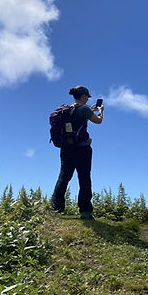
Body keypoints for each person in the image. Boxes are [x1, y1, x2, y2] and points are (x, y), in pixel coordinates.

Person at [50, 86, 103, 220]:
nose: (87, 99)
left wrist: (90, 111)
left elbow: (78, 119)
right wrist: (100, 111)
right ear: (83, 96)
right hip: (82, 149)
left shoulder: (67, 110)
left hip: (66, 148)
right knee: (84, 178)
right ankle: (85, 211)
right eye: (87, 97)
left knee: (64, 177)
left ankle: (56, 208)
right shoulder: (84, 109)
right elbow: (98, 121)